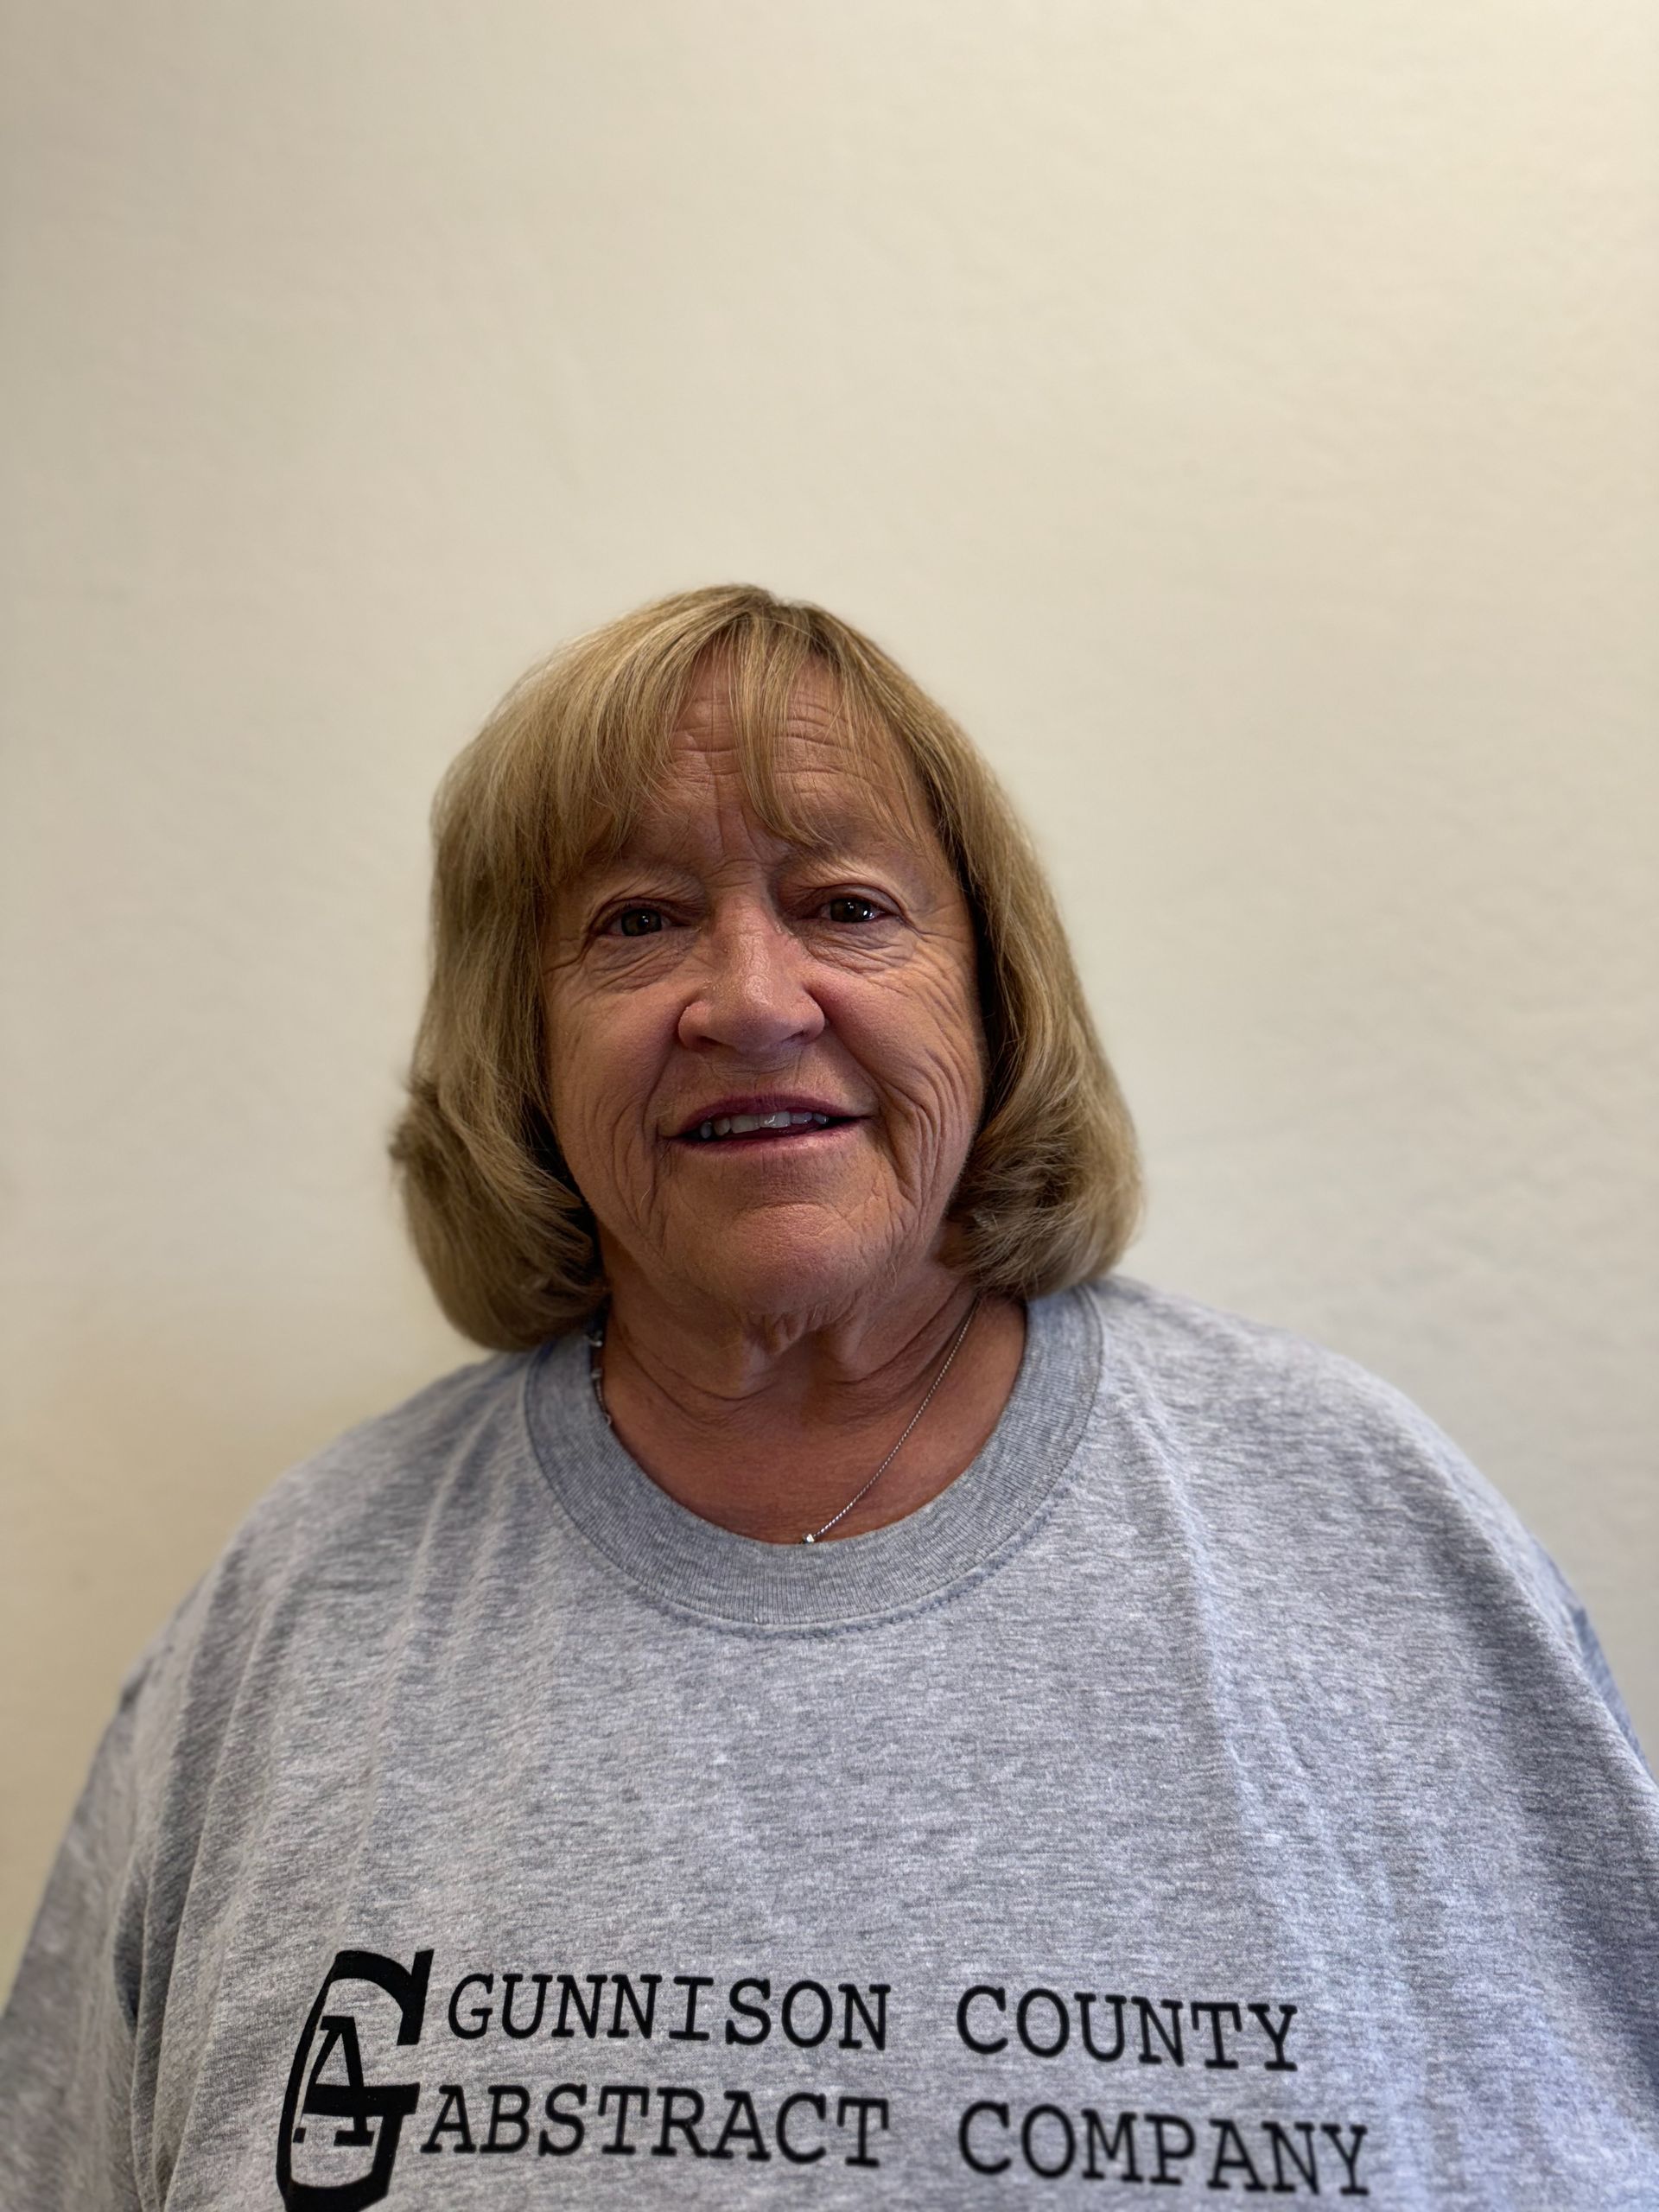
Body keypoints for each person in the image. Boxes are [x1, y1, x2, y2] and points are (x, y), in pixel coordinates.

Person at [2, 585, 1655, 2209]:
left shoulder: (1364, 1539)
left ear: (993, 998)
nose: (754, 1000)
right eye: (635, 921)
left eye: (849, 904)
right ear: (523, 1047)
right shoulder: (304, 1604)